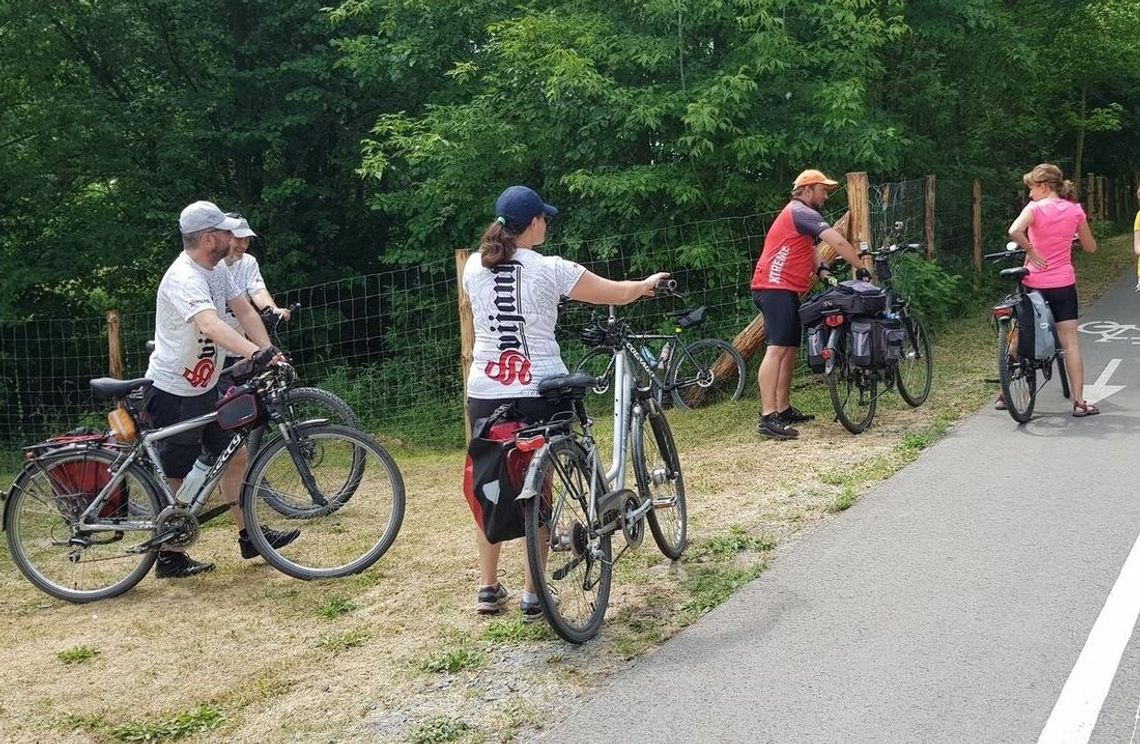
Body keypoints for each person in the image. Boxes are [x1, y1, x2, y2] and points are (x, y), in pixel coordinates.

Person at [463, 185, 669, 621]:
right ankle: (534, 593)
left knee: (493, 481)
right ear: (533, 223)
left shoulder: (472, 268)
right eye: (544, 218)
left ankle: (486, 587)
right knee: (540, 487)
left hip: (486, 390)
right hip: (540, 389)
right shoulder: (552, 268)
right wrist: (646, 285)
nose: (547, 224)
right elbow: (615, 291)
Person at [143, 200, 300, 578]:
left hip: (205, 384)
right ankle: (169, 554)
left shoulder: (218, 270)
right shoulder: (185, 276)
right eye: (227, 232)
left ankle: (250, 537)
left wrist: (269, 352)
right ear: (209, 238)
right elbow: (211, 326)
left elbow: (243, 311)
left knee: (236, 456)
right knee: (177, 471)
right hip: (174, 389)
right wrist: (255, 354)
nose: (234, 238)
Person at [750, 169, 865, 440]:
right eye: (823, 190)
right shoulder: (801, 212)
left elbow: (810, 249)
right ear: (808, 189)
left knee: (788, 350)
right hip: (773, 287)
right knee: (777, 350)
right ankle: (768, 417)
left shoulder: (799, 217)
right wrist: (860, 267)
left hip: (784, 289)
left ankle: (783, 408)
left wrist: (822, 272)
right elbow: (835, 241)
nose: (825, 196)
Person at [1003, 163, 1098, 416]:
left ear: (1043, 186)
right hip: (1063, 285)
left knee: (1020, 333)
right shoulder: (1075, 211)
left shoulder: (1034, 208)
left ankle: (1005, 390)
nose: (1030, 194)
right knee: (1071, 343)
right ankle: (1079, 402)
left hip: (1034, 284)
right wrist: (1072, 239)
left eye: (1032, 188)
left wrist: (1031, 250)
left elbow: (1014, 231)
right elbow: (1090, 248)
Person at [220, 214, 290, 367]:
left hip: (236, 349)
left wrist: (272, 309)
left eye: (247, 240)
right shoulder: (211, 266)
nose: (243, 245)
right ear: (224, 237)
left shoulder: (248, 262)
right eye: (238, 239)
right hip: (204, 351)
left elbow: (258, 290)